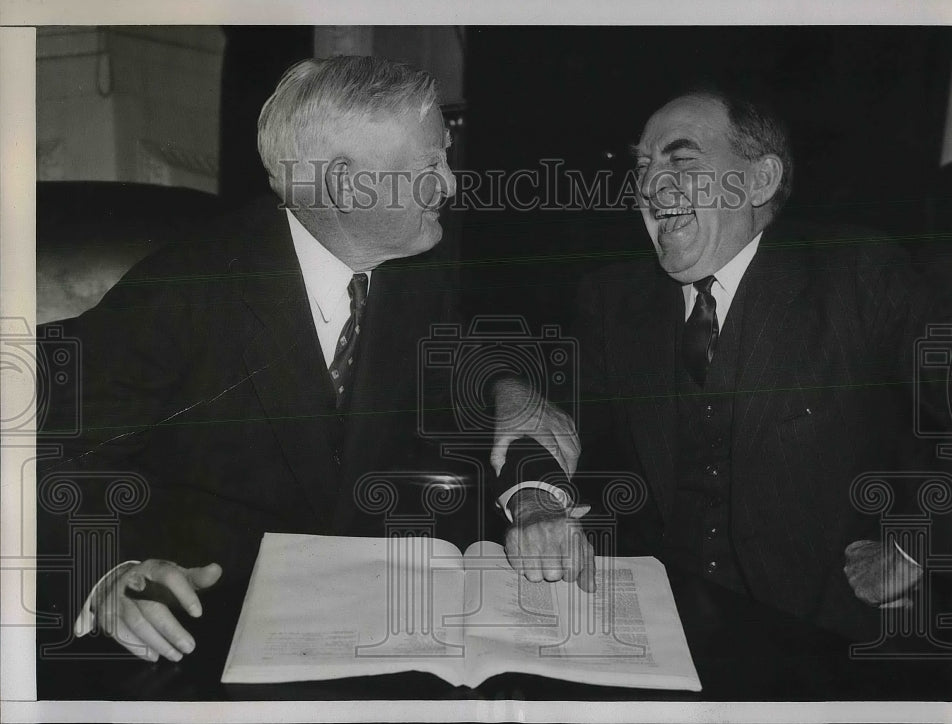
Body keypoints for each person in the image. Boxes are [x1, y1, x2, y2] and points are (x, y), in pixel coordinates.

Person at [36, 56, 578, 664]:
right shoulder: (187, 287)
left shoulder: (415, 268)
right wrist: (110, 575)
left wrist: (524, 454)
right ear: (346, 185)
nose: (451, 185)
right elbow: (55, 454)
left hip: (373, 617)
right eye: (430, 167)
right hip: (204, 628)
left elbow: (472, 365)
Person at [495, 89, 952, 640]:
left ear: (760, 180)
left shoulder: (857, 276)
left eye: (681, 161)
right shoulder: (614, 299)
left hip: (825, 641)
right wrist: (535, 502)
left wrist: (914, 544)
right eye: (642, 166)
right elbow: (544, 411)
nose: (649, 184)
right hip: (665, 624)